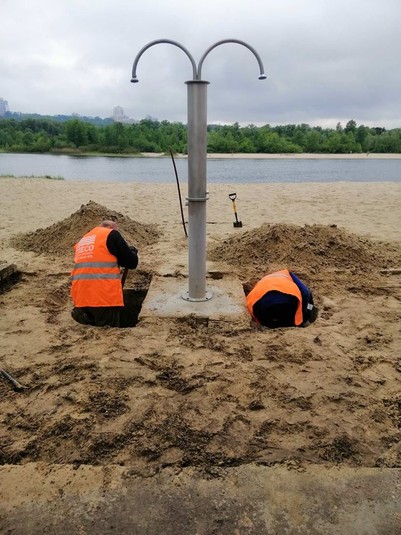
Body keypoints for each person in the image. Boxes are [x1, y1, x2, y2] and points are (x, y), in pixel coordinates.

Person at [70, 220, 138, 327]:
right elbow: (131, 262)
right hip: (103, 298)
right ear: (111, 228)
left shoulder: (85, 239)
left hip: (80, 298)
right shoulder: (111, 234)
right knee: (109, 332)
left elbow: (101, 257)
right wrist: (132, 252)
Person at [246, 269, 318, 328]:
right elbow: (305, 293)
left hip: (261, 307)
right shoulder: (288, 273)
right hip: (286, 303)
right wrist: (303, 318)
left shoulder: (263, 281)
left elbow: (250, 302)